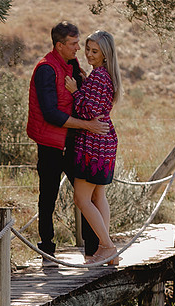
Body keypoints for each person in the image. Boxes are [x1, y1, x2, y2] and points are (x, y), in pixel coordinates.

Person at [26, 21, 108, 266]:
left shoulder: (73, 66)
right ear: (59, 45)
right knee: (48, 196)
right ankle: (47, 252)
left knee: (87, 197)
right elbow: (51, 113)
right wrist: (88, 126)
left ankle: (94, 251)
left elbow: (80, 101)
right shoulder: (45, 69)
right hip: (51, 145)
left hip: (74, 144)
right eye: (73, 44)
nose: (78, 48)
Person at [65, 30, 122, 266]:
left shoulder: (99, 76)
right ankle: (105, 250)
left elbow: (90, 111)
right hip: (103, 142)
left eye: (94, 51)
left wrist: (75, 91)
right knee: (98, 196)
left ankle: (108, 247)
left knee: (81, 199)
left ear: (105, 54)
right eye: (87, 49)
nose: (89, 54)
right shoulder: (103, 75)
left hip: (93, 145)